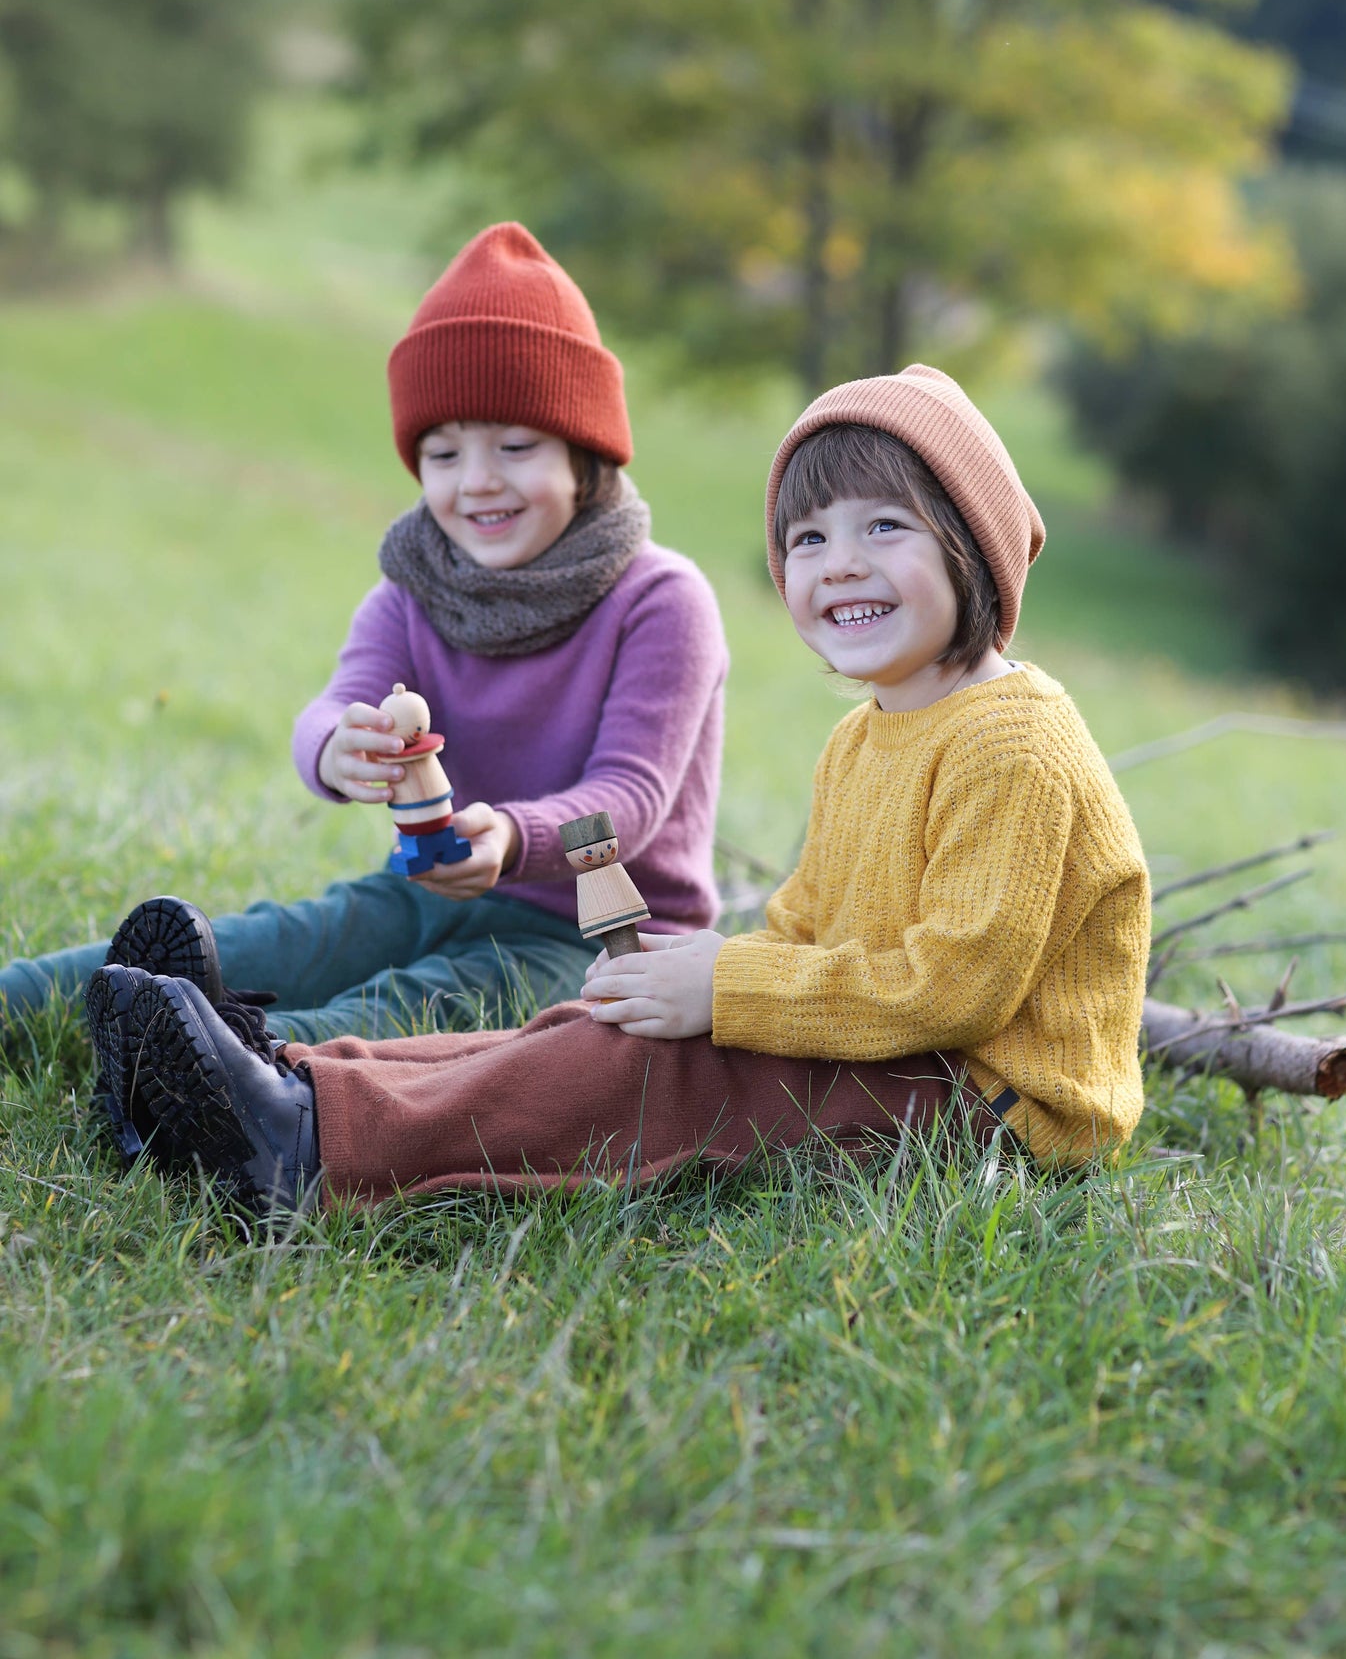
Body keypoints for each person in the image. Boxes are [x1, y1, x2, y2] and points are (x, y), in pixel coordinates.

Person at [85, 364, 1151, 1212]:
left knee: (676, 1074)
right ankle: (294, 1074)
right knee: (595, 1026)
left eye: (885, 527)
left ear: (974, 549)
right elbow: (812, 923)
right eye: (807, 539)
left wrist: (727, 989)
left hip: (989, 1100)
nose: (838, 564)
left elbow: (954, 987)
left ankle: (308, 1149)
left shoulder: (1013, 745)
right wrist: (711, 978)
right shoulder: (864, 735)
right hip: (891, 1043)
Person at [4, 223, 727, 1120]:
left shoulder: (660, 600)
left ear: (585, 457)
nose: (477, 482)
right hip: (422, 887)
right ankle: (34, 1001)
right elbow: (333, 707)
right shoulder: (415, 590)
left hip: (598, 932)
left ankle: (227, 1069)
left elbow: (631, 795)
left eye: (516, 445)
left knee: (423, 1001)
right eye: (444, 452)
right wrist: (337, 749)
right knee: (288, 937)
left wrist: (508, 838)